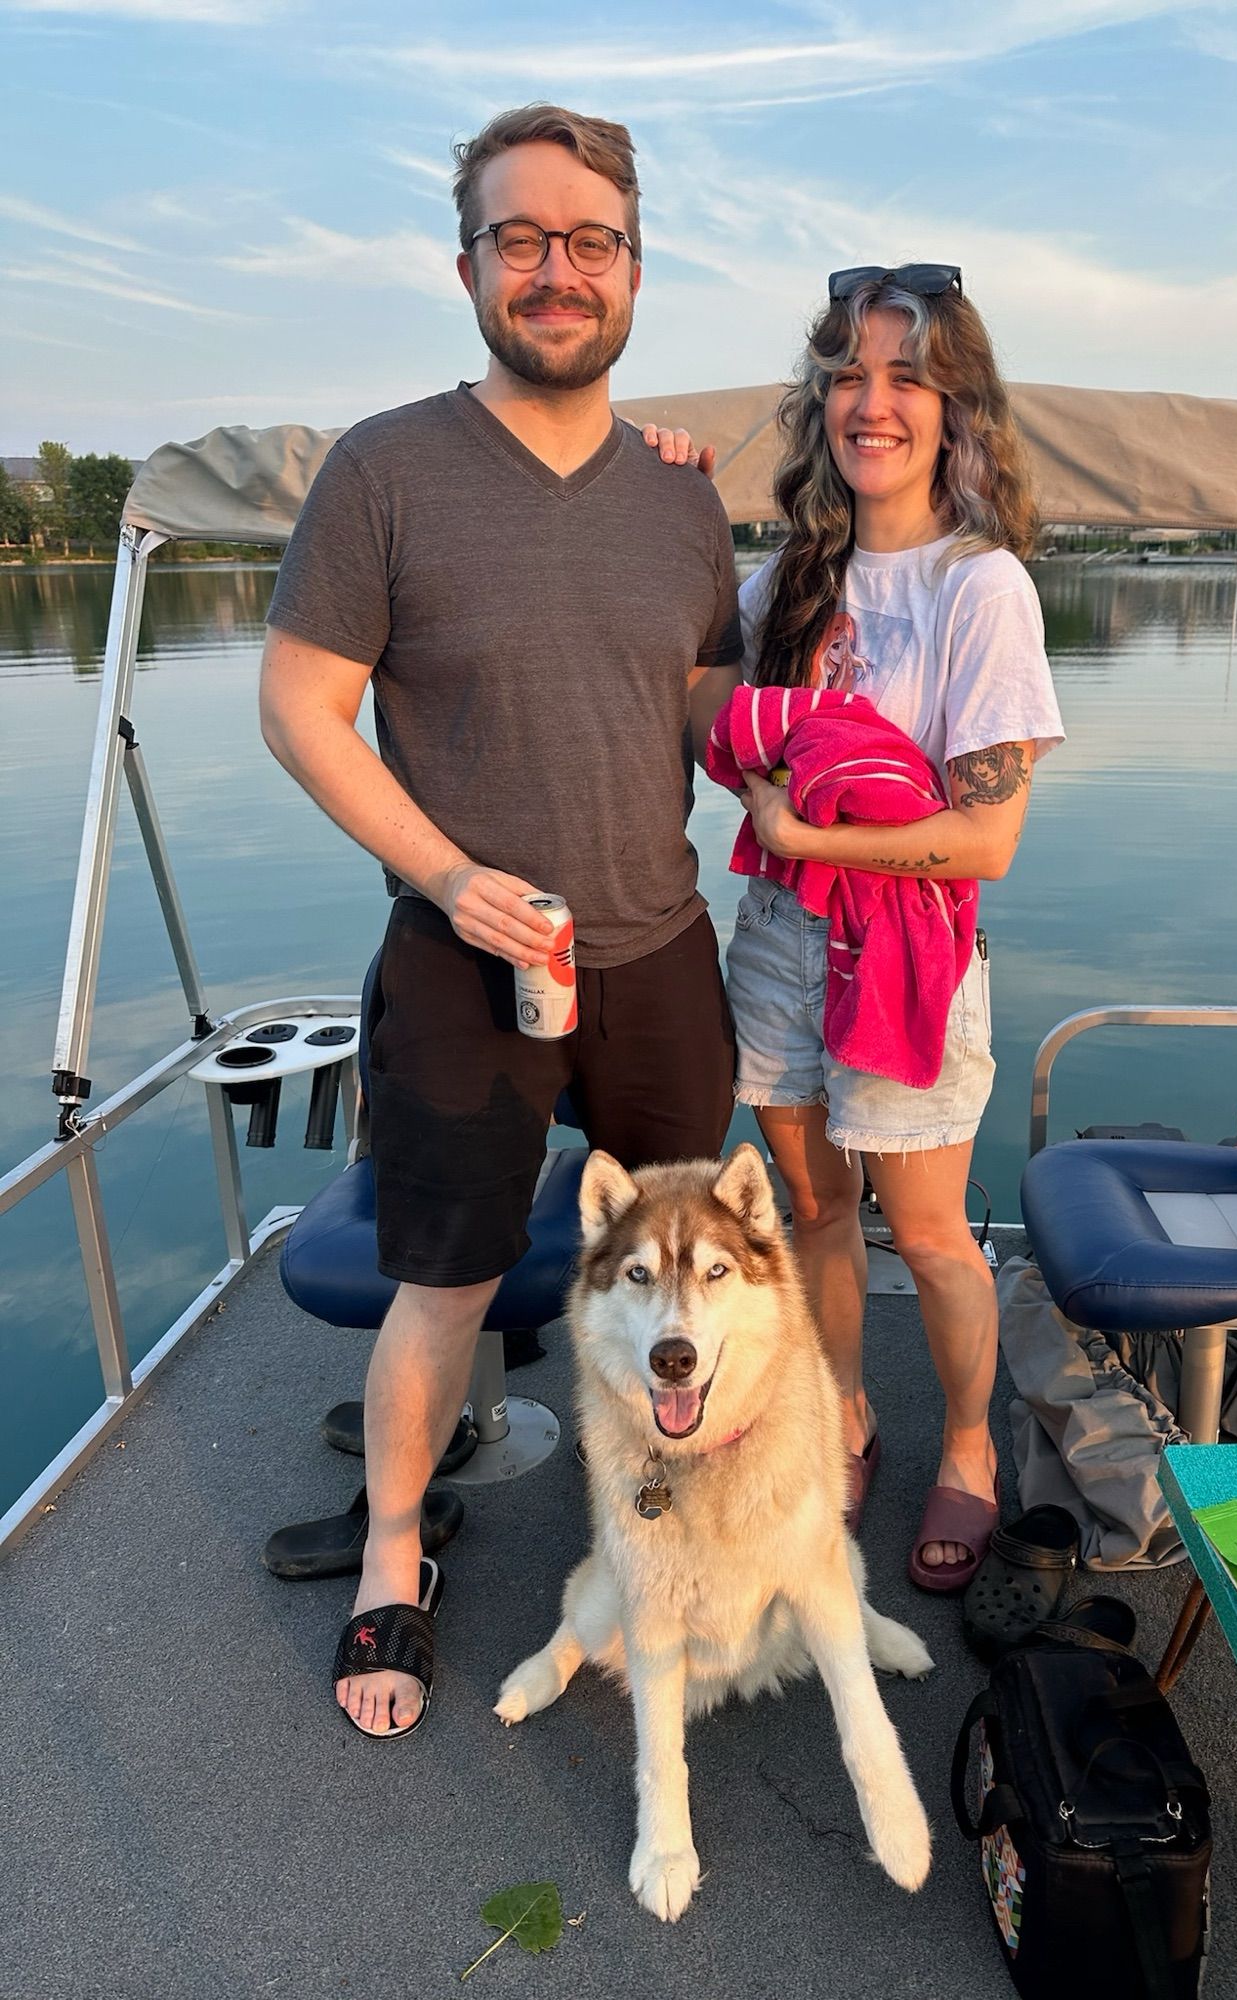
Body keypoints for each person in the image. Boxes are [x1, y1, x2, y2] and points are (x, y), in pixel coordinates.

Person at [259, 104, 743, 1736]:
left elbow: (696, 695)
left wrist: (831, 777)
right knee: (449, 1279)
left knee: (689, 1281)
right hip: (463, 961)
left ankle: (674, 1539)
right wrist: (447, 875)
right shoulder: (386, 470)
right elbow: (302, 704)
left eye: (587, 240)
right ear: (466, 261)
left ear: (631, 265)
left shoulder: (685, 498)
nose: (556, 271)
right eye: (519, 239)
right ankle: (397, 1556)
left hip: (659, 945)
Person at [725, 266, 1064, 1591]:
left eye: (906, 376)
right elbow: (714, 711)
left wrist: (812, 835)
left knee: (926, 1233)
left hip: (910, 952)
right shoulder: (788, 580)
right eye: (850, 375)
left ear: (954, 407)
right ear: (821, 399)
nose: (873, 404)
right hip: (776, 938)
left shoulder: (980, 591)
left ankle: (969, 1448)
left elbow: (987, 842)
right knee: (812, 1207)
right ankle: (846, 1416)